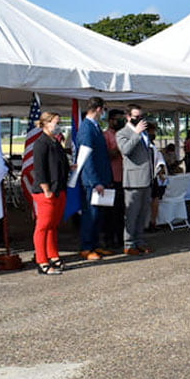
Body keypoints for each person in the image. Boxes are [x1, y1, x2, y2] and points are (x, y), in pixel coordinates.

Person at [31, 112, 70, 275]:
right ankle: (41, 260)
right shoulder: (41, 143)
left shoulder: (55, 141)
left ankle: (53, 255)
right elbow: (39, 169)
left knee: (53, 225)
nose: (58, 125)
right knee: (43, 226)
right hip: (46, 191)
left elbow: (59, 163)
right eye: (56, 122)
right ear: (46, 124)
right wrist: (45, 188)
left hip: (59, 188)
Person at [75, 97, 114, 260]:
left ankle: (96, 244)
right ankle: (86, 246)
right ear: (98, 109)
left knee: (99, 215)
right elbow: (86, 158)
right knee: (90, 214)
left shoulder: (95, 127)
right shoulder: (86, 128)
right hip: (92, 181)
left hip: (102, 178)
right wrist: (95, 181)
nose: (104, 113)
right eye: (103, 110)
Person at [115, 104, 155, 256]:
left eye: (141, 116)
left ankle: (140, 241)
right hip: (133, 180)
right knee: (132, 214)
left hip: (146, 178)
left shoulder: (144, 133)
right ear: (128, 117)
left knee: (143, 213)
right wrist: (136, 133)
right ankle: (129, 243)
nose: (139, 119)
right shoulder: (122, 133)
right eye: (136, 116)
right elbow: (125, 150)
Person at [101, 109, 126, 249]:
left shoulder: (123, 134)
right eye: (118, 119)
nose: (120, 122)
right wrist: (120, 147)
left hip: (124, 177)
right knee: (110, 213)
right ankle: (108, 239)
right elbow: (108, 155)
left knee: (121, 212)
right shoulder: (106, 135)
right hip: (112, 178)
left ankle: (121, 238)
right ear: (111, 120)